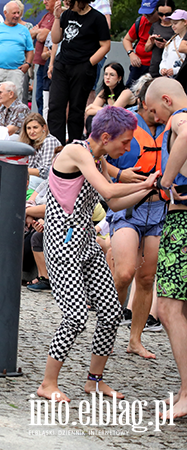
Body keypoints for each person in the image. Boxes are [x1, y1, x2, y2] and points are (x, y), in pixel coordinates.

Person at [36, 106, 157, 403]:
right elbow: (108, 190)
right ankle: (47, 383)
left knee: (111, 312)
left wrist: (151, 189)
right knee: (75, 316)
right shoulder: (77, 152)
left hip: (86, 241)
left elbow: (114, 204)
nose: (128, 147)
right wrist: (143, 183)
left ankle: (94, 382)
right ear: (105, 136)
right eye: (125, 142)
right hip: (62, 242)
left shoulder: (98, 157)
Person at [103, 76, 165, 359]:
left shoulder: (172, 127)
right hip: (127, 208)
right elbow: (96, 152)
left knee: (147, 277)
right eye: (154, 107)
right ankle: (107, 330)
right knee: (125, 272)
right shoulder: (123, 124)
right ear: (143, 103)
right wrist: (117, 174)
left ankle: (135, 339)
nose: (159, 113)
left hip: (159, 209)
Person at [145, 77, 187, 418]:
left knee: (169, 309)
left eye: (156, 111)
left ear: (166, 101)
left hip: (182, 225)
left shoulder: (180, 118)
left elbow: (185, 135)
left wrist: (166, 180)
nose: (156, 118)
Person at [47, 0, 112, 144]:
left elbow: (105, 45)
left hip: (82, 68)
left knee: (76, 109)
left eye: (71, 1)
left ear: (81, 1)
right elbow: (56, 39)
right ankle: (55, 144)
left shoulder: (97, 18)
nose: (67, 5)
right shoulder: (68, 14)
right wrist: (57, 17)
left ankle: (73, 144)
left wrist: (89, 63)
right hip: (63, 65)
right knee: (56, 106)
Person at [0, 0, 34, 97]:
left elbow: (30, 50)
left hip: (16, 71)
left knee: (14, 99)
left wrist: (27, 64)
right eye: (14, 13)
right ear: (5, 13)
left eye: (18, 13)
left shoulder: (24, 30)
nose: (17, 15)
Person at [31, 0, 61, 116]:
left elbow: (43, 37)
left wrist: (39, 32)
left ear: (57, 0)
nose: (44, 2)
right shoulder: (46, 16)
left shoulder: (57, 17)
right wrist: (39, 32)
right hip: (40, 62)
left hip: (50, 63)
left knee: (46, 98)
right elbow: (31, 33)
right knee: (39, 97)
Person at [123, 0, 162, 86]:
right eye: (145, 13)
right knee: (129, 90)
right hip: (139, 65)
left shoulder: (164, 23)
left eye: (151, 14)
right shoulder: (141, 21)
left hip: (156, 66)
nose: (147, 16)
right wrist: (131, 53)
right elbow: (127, 39)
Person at [20, 113, 62, 187]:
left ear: (44, 128)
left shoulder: (49, 141)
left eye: (35, 127)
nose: (31, 131)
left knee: (30, 180)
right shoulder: (31, 142)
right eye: (28, 128)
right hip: (35, 179)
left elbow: (46, 171)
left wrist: (20, 170)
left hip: (51, 182)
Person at [84, 63, 126, 132]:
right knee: (91, 118)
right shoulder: (105, 92)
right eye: (106, 74)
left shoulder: (125, 92)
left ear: (119, 78)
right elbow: (89, 111)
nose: (107, 77)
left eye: (112, 75)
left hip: (124, 124)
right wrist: (106, 110)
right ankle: (92, 140)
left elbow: (114, 112)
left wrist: (94, 107)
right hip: (111, 121)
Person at [147, 0, 177, 78]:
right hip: (155, 67)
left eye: (168, 15)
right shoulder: (155, 25)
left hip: (171, 70)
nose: (164, 18)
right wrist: (152, 41)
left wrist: (166, 46)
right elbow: (146, 48)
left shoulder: (176, 27)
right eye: (160, 14)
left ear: (173, 12)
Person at [160, 9, 187, 80]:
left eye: (175, 23)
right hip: (169, 79)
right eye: (172, 24)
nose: (173, 26)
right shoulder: (171, 41)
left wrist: (175, 70)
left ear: (185, 22)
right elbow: (164, 58)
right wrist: (163, 68)